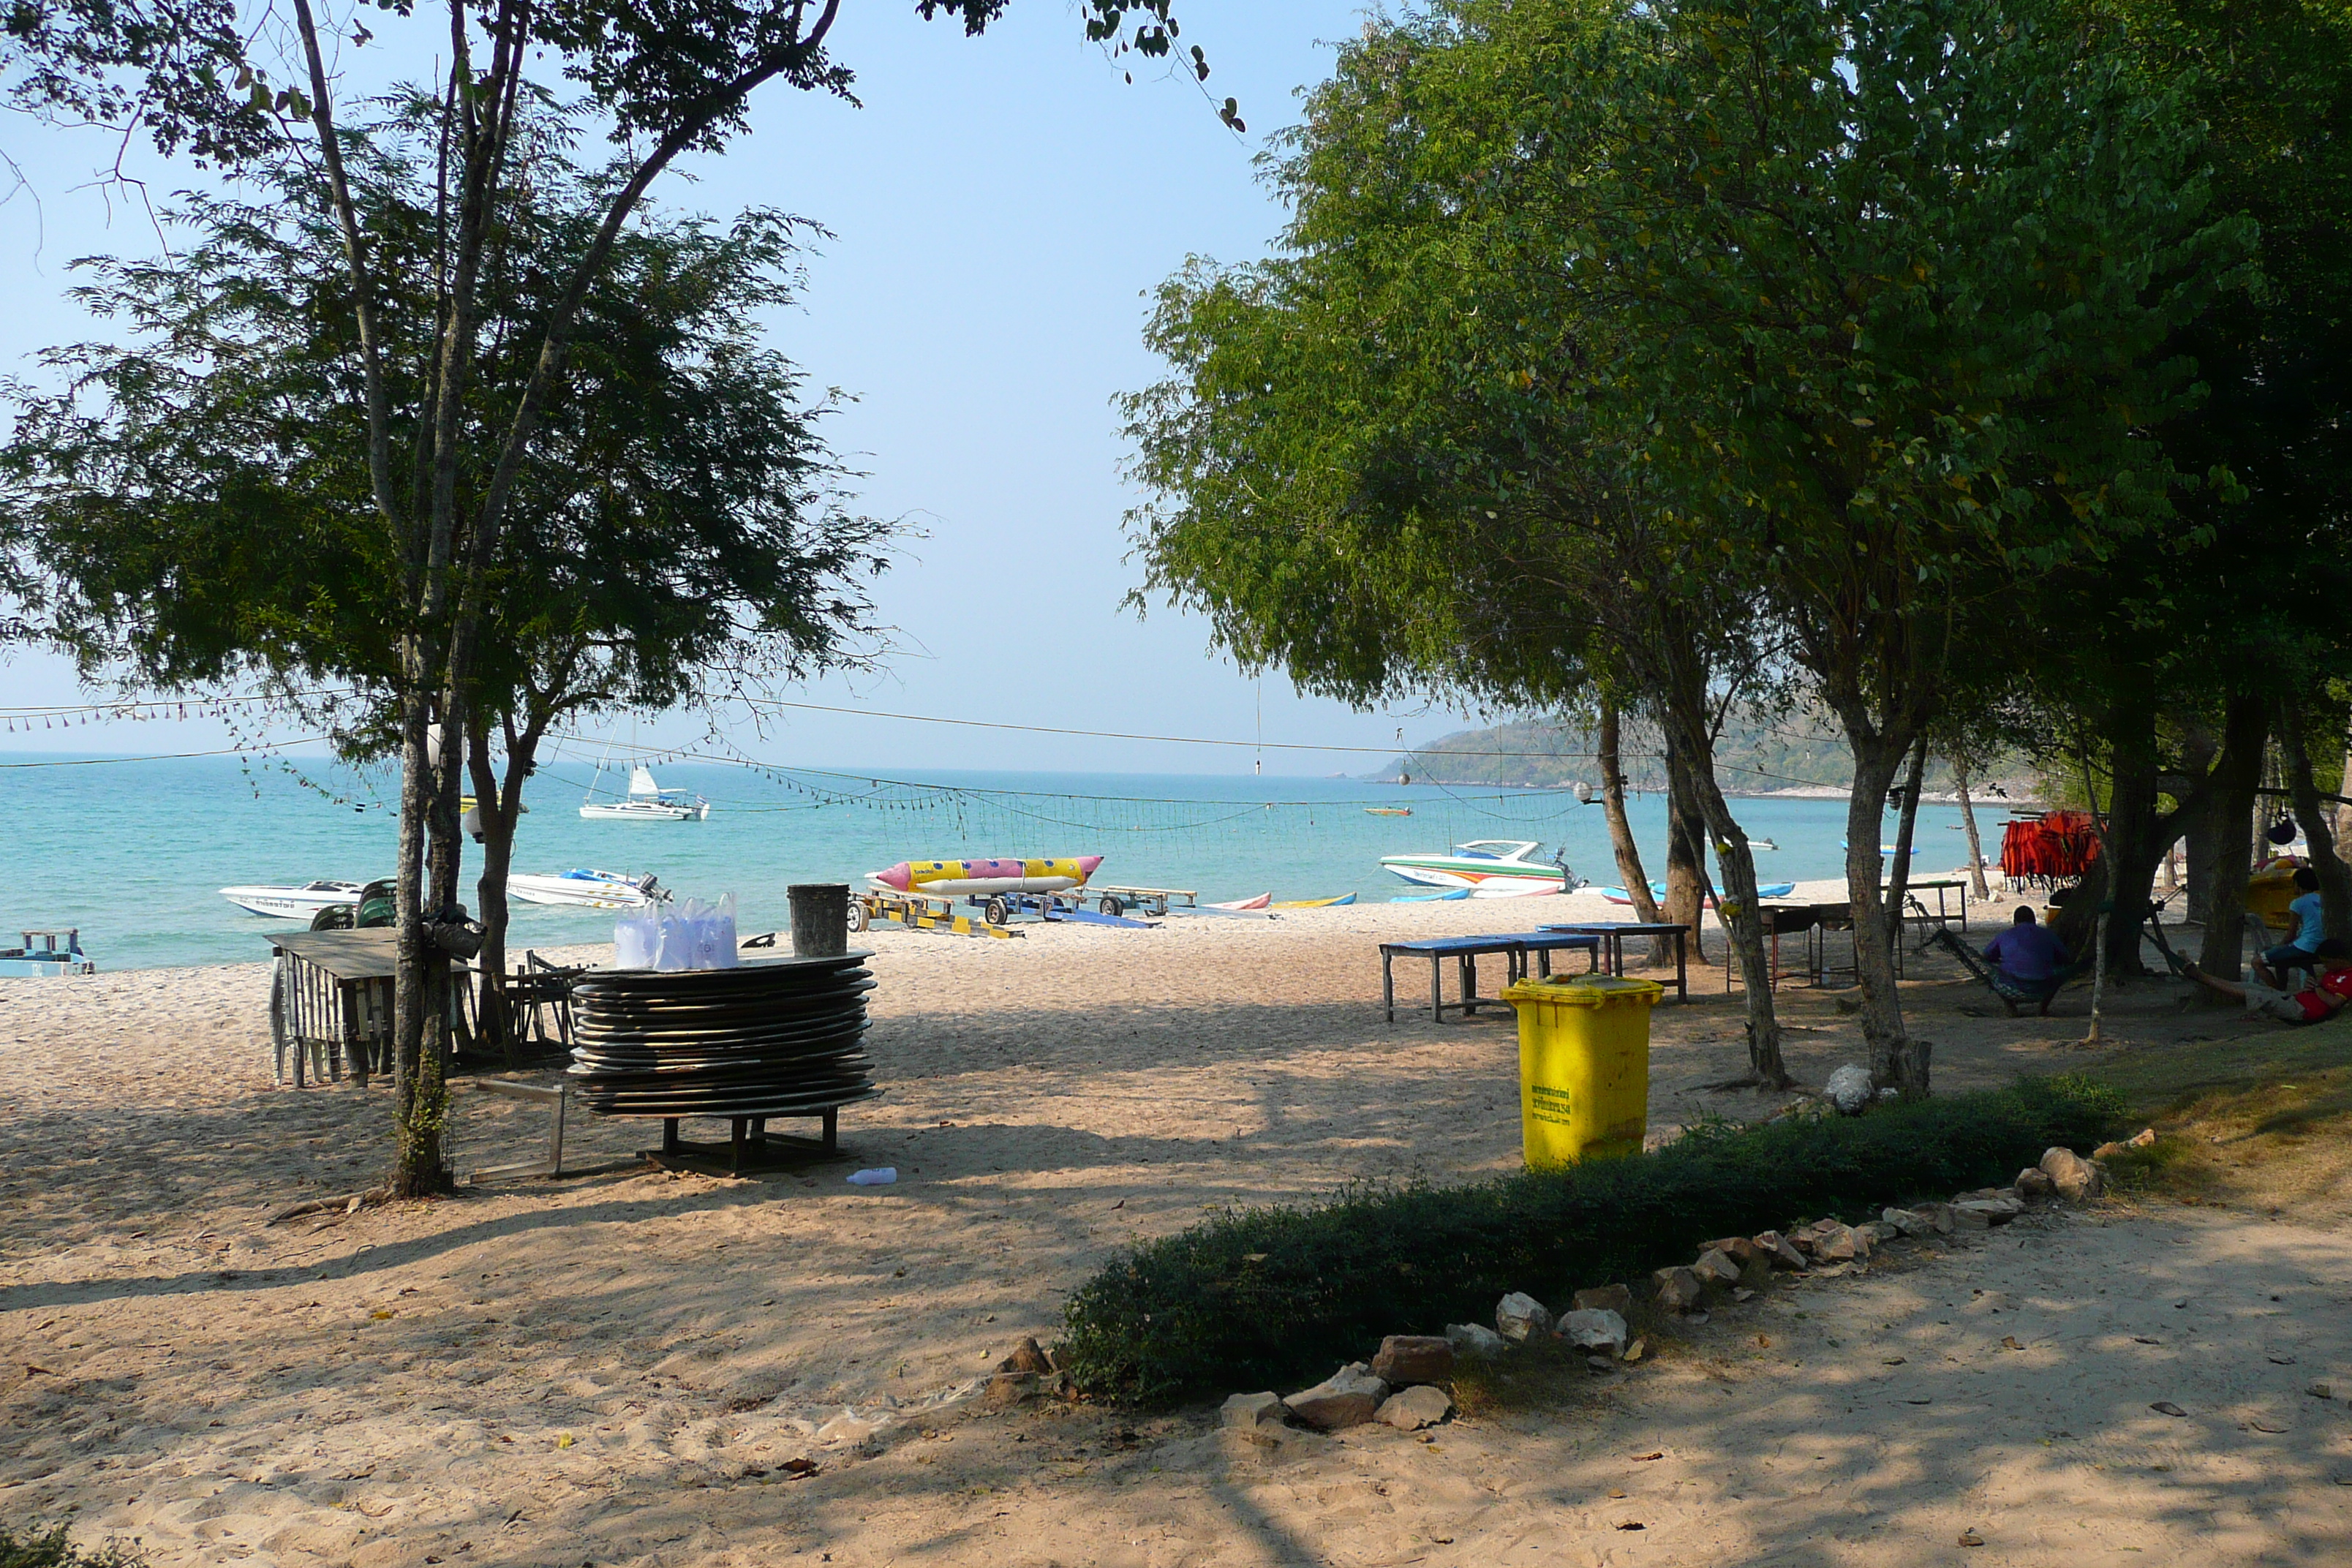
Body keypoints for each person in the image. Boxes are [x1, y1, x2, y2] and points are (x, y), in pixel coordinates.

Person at [2183, 937, 2352, 1025]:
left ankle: (2201, 977)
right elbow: (2319, 990)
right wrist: (2309, 988)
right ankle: (2203, 976)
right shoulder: (2332, 973)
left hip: (2301, 1011)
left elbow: (2335, 1003)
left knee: (2253, 994)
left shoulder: (2349, 977)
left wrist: (2317, 989)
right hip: (2294, 999)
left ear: (2339, 959)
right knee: (2250, 986)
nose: (2325, 966)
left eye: (2327, 962)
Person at [2262, 868, 2328, 981]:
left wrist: (2279, 946)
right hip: (2322, 947)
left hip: (2305, 947)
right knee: (2283, 958)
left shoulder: (2297, 903)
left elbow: (2290, 935)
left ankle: (2276, 990)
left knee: (2257, 962)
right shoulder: (2323, 900)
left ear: (2298, 884)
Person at [1983, 905, 2068, 987]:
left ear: (2015, 922)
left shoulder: (2005, 935)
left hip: (2012, 984)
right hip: (2044, 984)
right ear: (2034, 921)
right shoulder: (2048, 934)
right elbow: (2064, 957)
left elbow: (1986, 955)